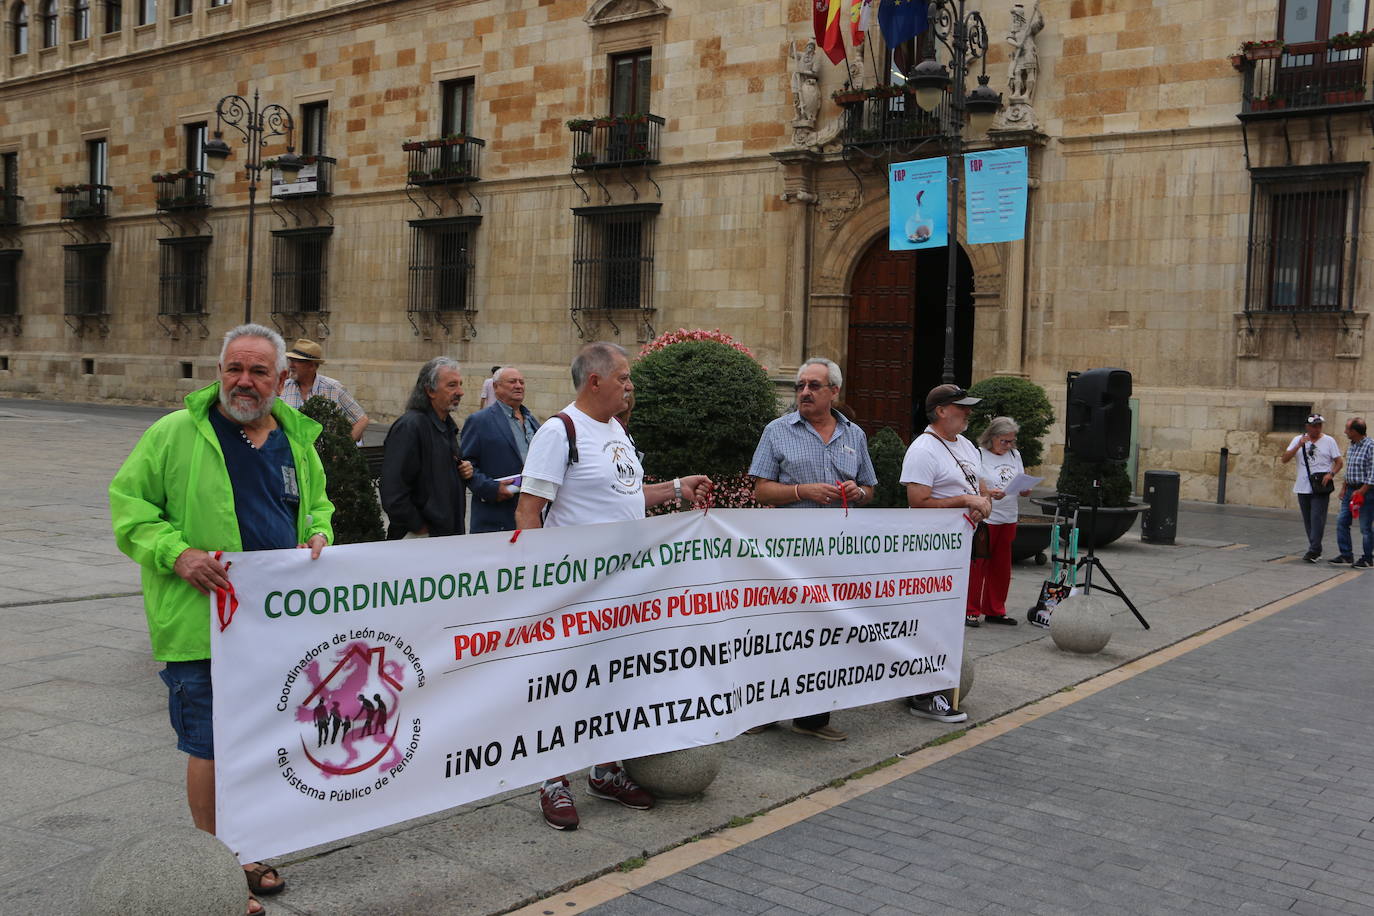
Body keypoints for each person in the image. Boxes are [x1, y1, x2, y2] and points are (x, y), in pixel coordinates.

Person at [109, 323, 334, 916]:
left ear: (281, 380)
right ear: (219, 372)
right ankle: (215, 872)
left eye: (259, 371)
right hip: (198, 627)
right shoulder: (175, 433)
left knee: (259, 744)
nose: (244, 381)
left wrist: (319, 531)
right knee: (209, 744)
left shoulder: (296, 440)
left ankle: (248, 848)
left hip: (271, 630)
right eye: (235, 368)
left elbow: (317, 504)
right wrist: (176, 553)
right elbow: (129, 509)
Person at [514, 341, 712, 831]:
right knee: (565, 686)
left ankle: (605, 770)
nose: (631, 385)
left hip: (625, 589)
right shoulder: (559, 432)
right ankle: (553, 781)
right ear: (594, 381)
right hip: (575, 590)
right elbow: (528, 510)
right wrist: (541, 585)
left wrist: (673, 488)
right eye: (623, 377)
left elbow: (625, 494)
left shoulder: (616, 433)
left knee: (616, 679)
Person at [746, 357, 876, 742]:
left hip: (836, 554)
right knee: (781, 631)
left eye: (814, 386)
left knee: (825, 633)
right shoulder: (777, 431)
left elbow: (870, 488)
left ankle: (812, 717)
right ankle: (764, 711)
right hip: (788, 554)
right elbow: (760, 490)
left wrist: (858, 492)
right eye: (800, 385)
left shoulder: (855, 435)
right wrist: (802, 491)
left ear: (834, 392)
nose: (804, 392)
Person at [899, 384, 993, 723]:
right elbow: (918, 502)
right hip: (930, 553)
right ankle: (923, 694)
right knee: (930, 622)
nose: (968, 413)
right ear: (941, 411)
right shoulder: (923, 449)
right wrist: (965, 502)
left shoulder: (967, 445)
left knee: (949, 621)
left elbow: (978, 489)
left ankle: (928, 687)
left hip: (959, 547)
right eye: (961, 407)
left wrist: (983, 504)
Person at [380, 357, 475, 539]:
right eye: (452, 385)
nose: (460, 392)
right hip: (419, 538)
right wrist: (419, 526)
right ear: (430, 390)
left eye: (460, 385)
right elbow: (393, 490)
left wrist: (463, 471)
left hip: (445, 534)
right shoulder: (410, 426)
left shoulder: (446, 425)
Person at [969, 416, 1033, 624]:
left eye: (1011, 441)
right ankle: (970, 610)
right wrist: (988, 493)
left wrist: (1025, 489)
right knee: (978, 564)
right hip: (987, 518)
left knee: (1001, 566)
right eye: (1004, 441)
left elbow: (1022, 484)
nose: (1008, 445)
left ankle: (995, 609)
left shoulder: (1015, 455)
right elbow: (973, 484)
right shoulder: (979, 455)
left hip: (1008, 516)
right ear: (992, 437)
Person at [462, 367, 541, 533]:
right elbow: (466, 466)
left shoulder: (532, 421)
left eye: (521, 382)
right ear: (496, 387)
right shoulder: (479, 421)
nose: (519, 386)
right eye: (512, 382)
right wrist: (491, 488)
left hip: (531, 515)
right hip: (496, 517)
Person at [279, 337, 370, 443]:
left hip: (324, 457)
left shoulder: (333, 388)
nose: (291, 365)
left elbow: (361, 420)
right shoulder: (282, 388)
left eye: (297, 361)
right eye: (291, 360)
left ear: (312, 366)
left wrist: (343, 449)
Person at [1281, 414, 1343, 562]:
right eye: (1314, 425)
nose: (1317, 428)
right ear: (1307, 427)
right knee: (1308, 520)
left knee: (1317, 518)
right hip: (1303, 486)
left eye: (1319, 425)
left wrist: (1331, 474)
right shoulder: (1297, 439)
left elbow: (1339, 462)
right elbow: (1284, 459)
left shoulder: (1329, 441)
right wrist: (1298, 445)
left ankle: (1314, 550)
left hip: (1321, 486)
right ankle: (1316, 548)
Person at [1331, 417, 1373, 568]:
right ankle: (1346, 555)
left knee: (1365, 527)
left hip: (1366, 491)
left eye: (1347, 429)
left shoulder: (1371, 446)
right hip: (1350, 490)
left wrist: (1362, 491)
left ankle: (1368, 558)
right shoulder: (1352, 445)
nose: (1344, 431)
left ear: (1354, 431)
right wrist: (1344, 488)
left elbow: (1373, 473)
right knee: (1342, 521)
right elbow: (1350, 470)